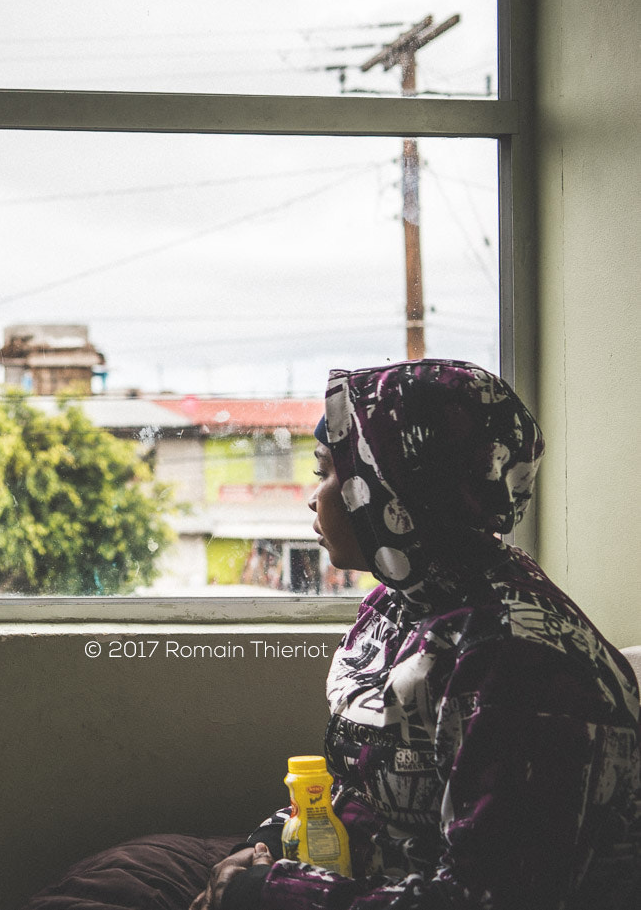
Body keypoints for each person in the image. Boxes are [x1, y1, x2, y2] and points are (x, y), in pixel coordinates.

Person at [195, 359, 640, 908]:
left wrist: (274, 894)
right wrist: (265, 844)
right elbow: (358, 786)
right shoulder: (403, 600)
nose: (314, 498)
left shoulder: (519, 659)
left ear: (394, 485)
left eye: (325, 473)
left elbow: (492, 896)